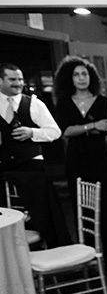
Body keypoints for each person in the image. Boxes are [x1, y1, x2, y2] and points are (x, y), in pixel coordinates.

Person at [53, 56, 107, 265]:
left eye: (84, 73)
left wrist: (80, 129)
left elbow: (105, 129)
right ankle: (88, 256)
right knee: (81, 205)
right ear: (69, 79)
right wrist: (92, 126)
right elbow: (66, 131)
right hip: (76, 159)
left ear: (91, 77)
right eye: (76, 74)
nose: (81, 78)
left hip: (100, 157)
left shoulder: (103, 102)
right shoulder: (64, 103)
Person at [0, 63, 71, 247]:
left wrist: (32, 132)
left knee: (43, 212)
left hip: (32, 168)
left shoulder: (34, 104)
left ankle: (47, 250)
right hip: (3, 167)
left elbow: (55, 132)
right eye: (12, 79)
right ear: (0, 81)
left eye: (20, 79)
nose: (18, 83)